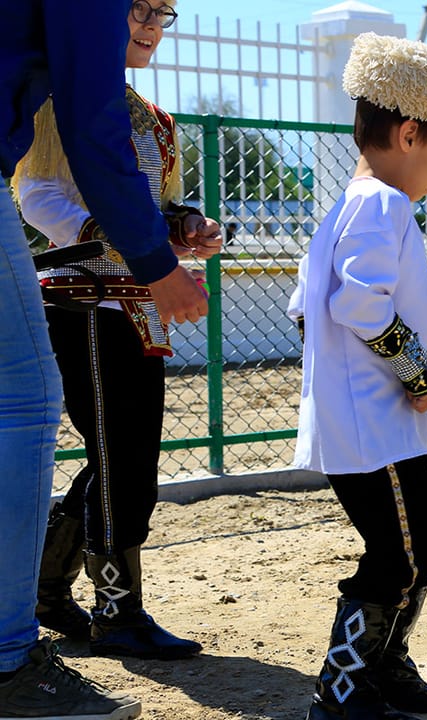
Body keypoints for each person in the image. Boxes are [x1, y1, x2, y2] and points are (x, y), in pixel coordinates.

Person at [1, 0, 209, 716]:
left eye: (164, 13)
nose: (151, 24)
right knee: (121, 458)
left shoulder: (151, 115)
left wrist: (182, 226)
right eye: (139, 10)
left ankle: (51, 589)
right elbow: (34, 193)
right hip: (84, 296)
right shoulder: (60, 97)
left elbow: (156, 201)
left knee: (122, 455)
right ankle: (116, 614)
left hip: (136, 300)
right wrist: (119, 238)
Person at [289, 33, 427, 720]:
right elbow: (355, 303)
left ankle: (385, 667)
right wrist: (416, 373)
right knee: (399, 555)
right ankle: (343, 688)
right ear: (409, 134)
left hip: (368, 426)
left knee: (413, 549)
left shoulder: (348, 205)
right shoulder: (382, 205)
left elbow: (306, 312)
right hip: (375, 425)